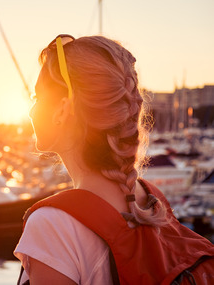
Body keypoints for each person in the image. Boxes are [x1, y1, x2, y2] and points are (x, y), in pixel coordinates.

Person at [13, 34, 208, 284]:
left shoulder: (53, 227)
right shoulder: (151, 199)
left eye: (37, 98)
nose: (31, 111)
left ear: (63, 109)